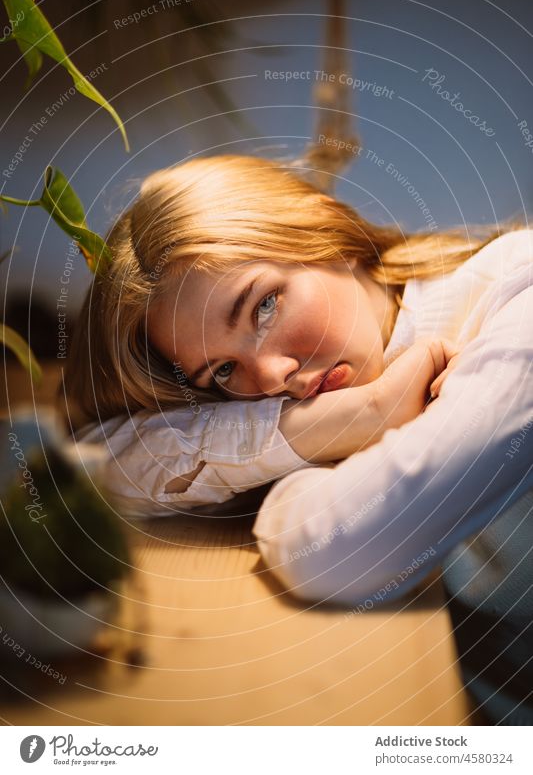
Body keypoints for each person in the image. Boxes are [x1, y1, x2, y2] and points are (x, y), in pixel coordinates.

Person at [63, 154, 533, 724]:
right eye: (223, 372)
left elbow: (335, 554)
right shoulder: (343, 388)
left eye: (264, 306)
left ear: (325, 233)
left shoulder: (517, 291)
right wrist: (346, 419)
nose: (271, 377)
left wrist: (288, 500)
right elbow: (103, 460)